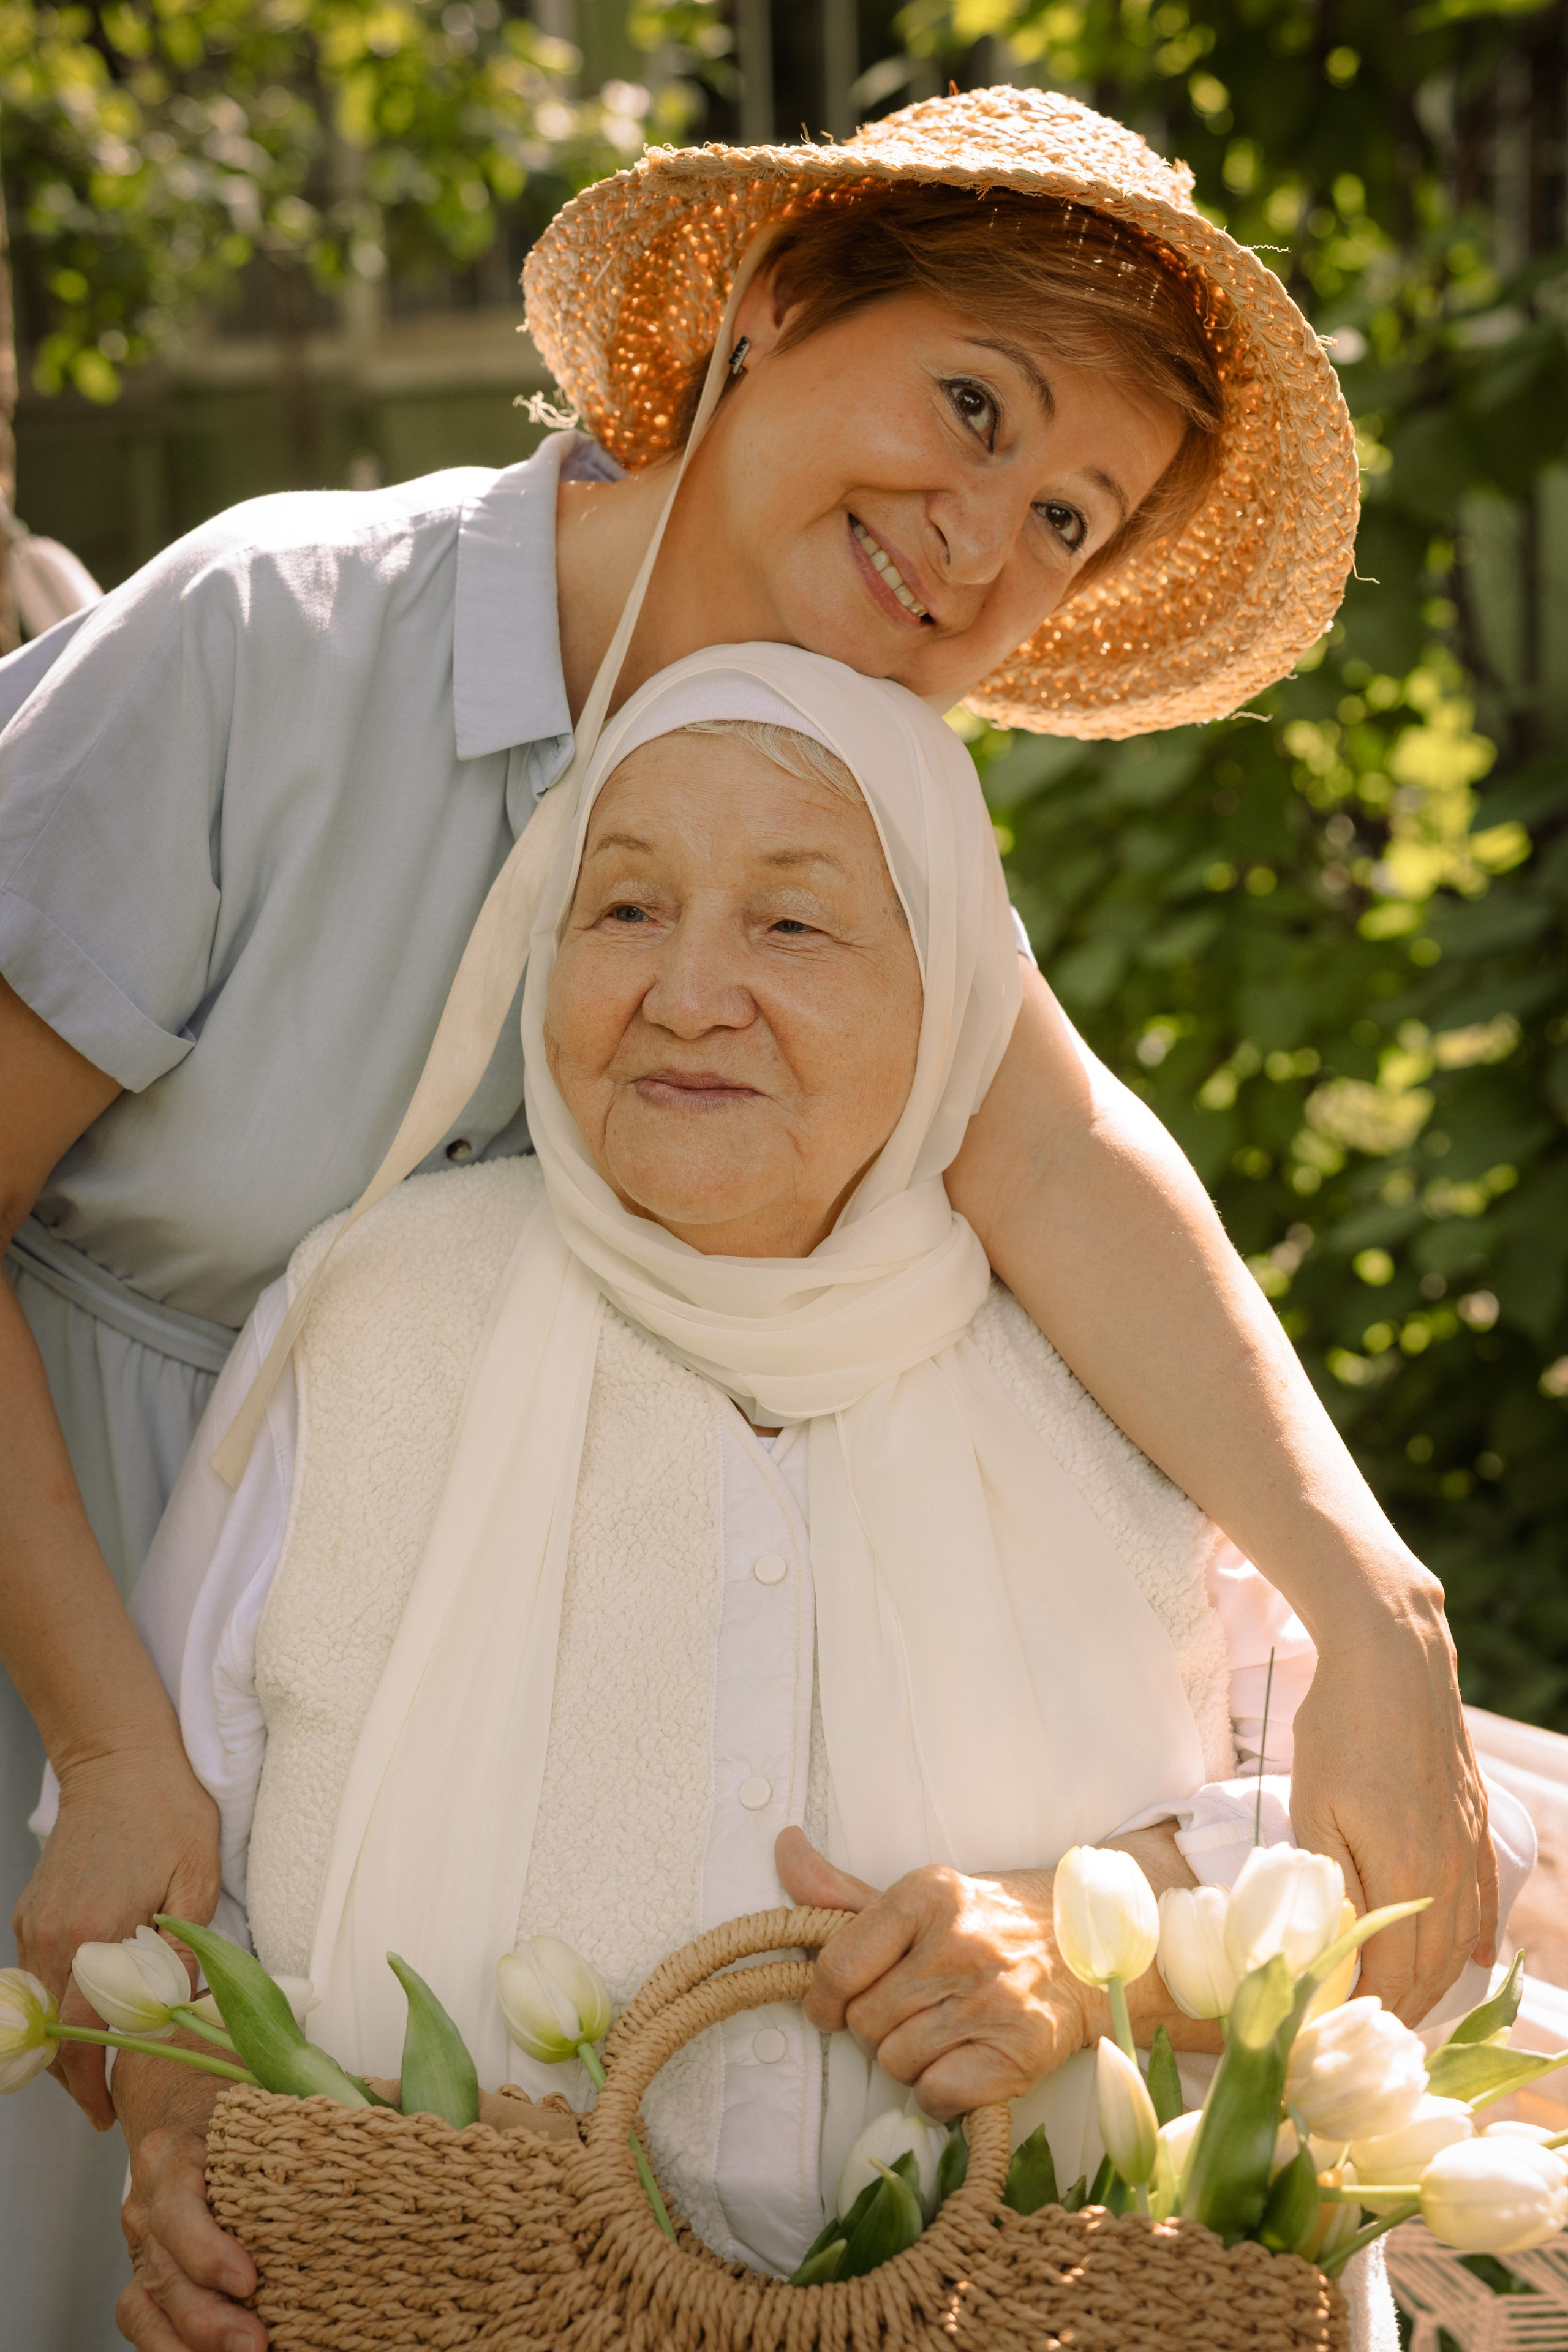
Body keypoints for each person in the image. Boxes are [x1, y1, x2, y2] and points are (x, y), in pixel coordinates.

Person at [0, 85, 1488, 2328]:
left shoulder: (835, 784)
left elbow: (1063, 1159)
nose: (983, 539)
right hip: (80, 1588)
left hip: (383, 1719)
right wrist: (111, 1741)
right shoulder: (277, 637)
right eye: (970, 405)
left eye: (1067, 516)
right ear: (772, 314)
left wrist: (1376, 1613)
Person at [116, 648, 1516, 2351]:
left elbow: (1416, 1858)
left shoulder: (1108, 1355)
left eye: (793, 925)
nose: (690, 991)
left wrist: (1096, 1950)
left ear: (955, 1002)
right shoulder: (364, 1320)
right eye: (623, 909)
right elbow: (153, 1862)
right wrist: (182, 2144)